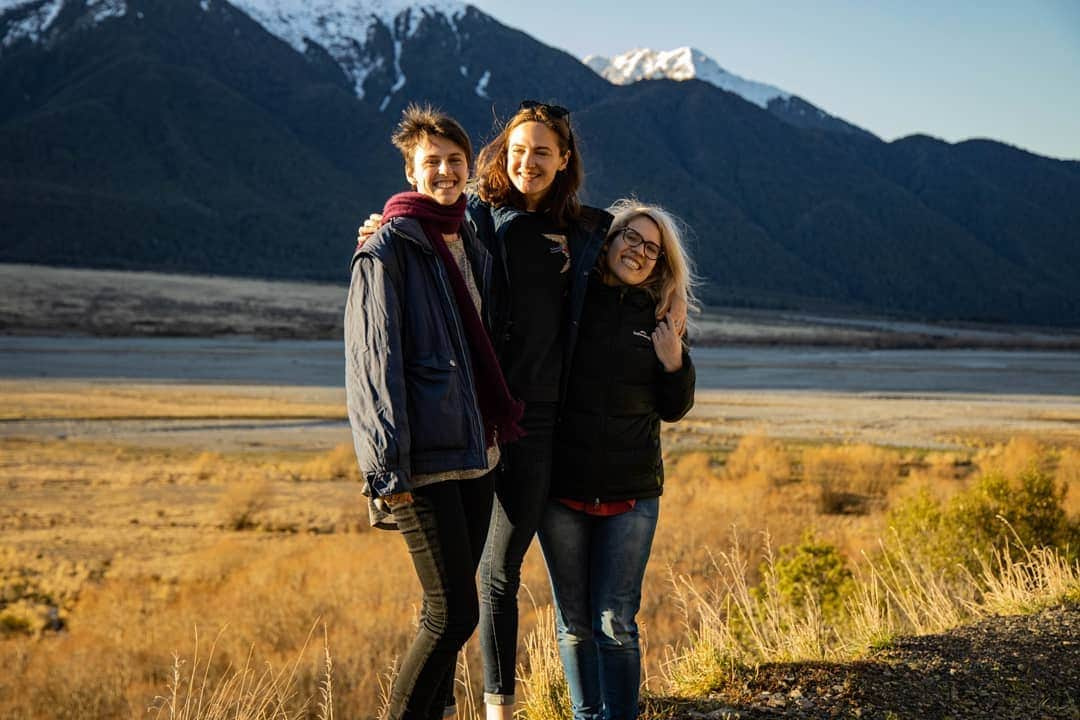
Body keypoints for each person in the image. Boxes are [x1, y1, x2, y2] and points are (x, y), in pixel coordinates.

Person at [357, 101, 688, 719]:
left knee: (499, 573)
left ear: (564, 160)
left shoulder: (590, 230)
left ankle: (492, 708)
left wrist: (674, 305)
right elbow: (425, 229)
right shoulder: (476, 214)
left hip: (540, 424)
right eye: (517, 149)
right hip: (472, 419)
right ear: (502, 154)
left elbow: (639, 263)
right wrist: (385, 225)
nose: (528, 161)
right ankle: (484, 709)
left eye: (542, 151)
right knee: (462, 591)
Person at [344, 104, 524, 720]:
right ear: (410, 169)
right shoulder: (389, 248)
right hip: (422, 462)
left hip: (477, 456)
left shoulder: (469, 236)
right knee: (455, 613)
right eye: (432, 163)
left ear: (468, 166)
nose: (445, 171)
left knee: (442, 613)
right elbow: (373, 368)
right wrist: (385, 473)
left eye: (454, 161)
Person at [537, 200, 697, 719]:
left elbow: (674, 408)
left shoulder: (660, 316)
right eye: (632, 237)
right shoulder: (571, 294)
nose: (640, 252)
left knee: (617, 622)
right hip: (562, 488)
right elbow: (542, 216)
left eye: (652, 249)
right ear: (608, 239)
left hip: (631, 493)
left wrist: (674, 362)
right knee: (574, 621)